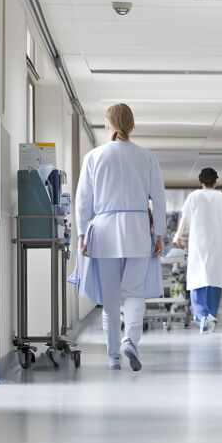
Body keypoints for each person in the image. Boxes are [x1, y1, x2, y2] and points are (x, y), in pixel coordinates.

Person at [75, 103, 166, 371]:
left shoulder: (94, 156)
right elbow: (159, 199)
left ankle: (114, 357)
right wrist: (159, 234)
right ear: (132, 125)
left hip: (104, 232)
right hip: (137, 230)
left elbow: (83, 201)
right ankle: (131, 340)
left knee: (111, 299)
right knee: (134, 293)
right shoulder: (146, 157)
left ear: (107, 124)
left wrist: (83, 233)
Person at [172, 168, 222, 334]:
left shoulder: (193, 196)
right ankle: (210, 315)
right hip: (218, 244)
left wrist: (178, 236)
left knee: (197, 278)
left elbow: (185, 218)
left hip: (199, 243)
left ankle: (201, 316)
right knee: (214, 279)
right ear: (216, 181)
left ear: (201, 182)